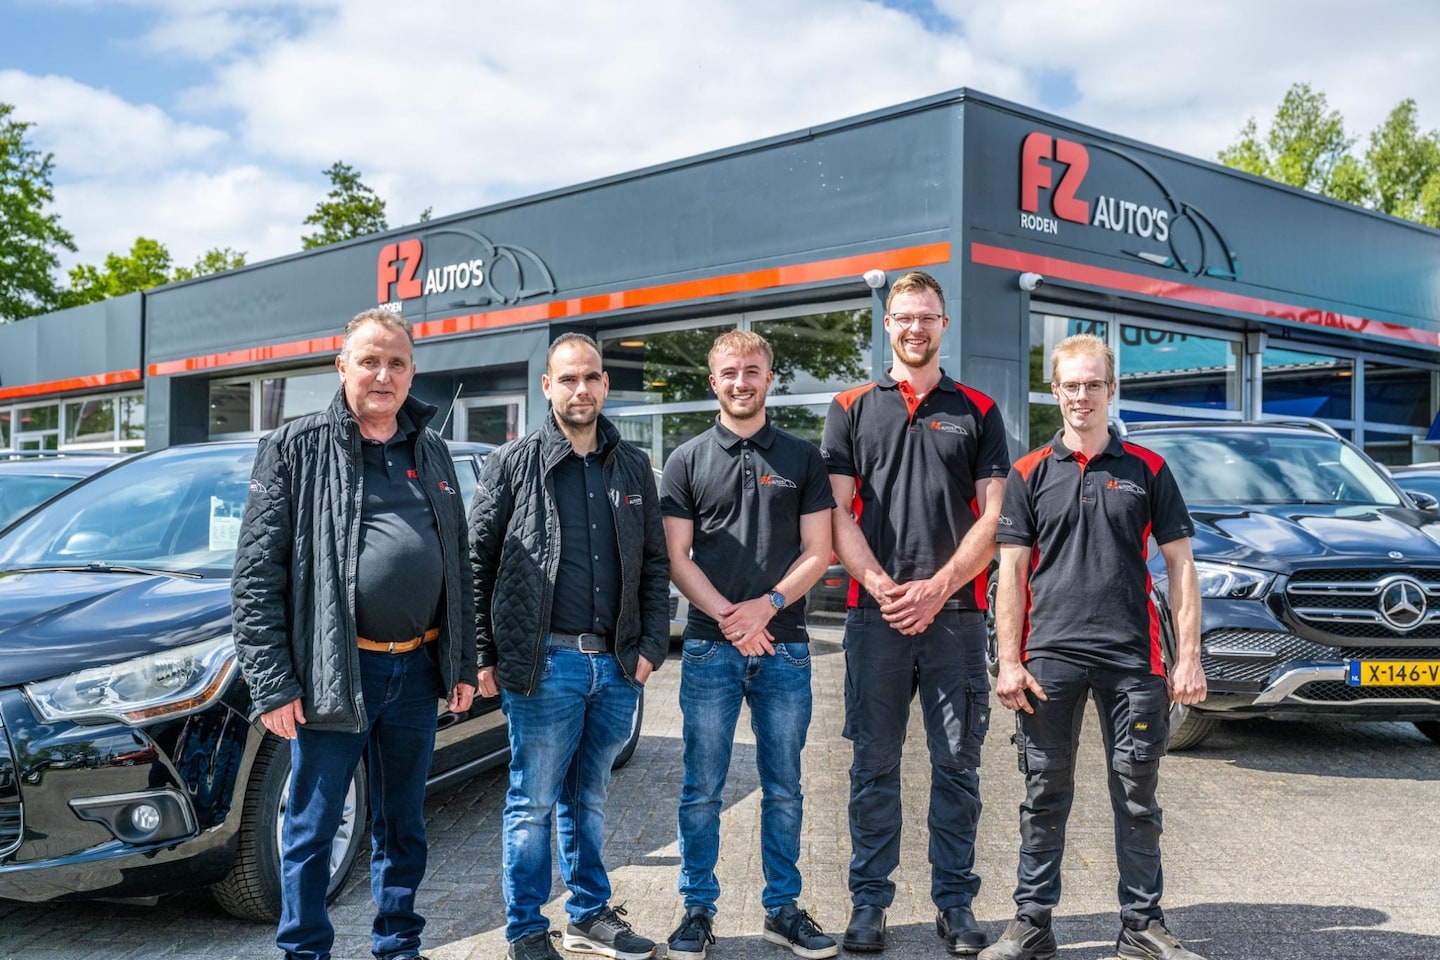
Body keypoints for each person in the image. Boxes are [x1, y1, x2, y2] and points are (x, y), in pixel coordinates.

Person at [232, 308, 478, 960]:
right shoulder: (295, 448)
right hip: (334, 672)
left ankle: (398, 944)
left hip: (417, 671)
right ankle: (304, 949)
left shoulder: (432, 450)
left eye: (396, 363)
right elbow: (255, 577)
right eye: (370, 361)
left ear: (412, 373)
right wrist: (273, 683)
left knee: (404, 825)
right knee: (312, 829)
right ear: (342, 367)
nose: (383, 375)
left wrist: (460, 662)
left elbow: (457, 562)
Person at [983, 333, 1206, 960]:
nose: (1082, 396)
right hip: (1049, 658)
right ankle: (1032, 924)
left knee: (1137, 794)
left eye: (1093, 384)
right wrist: (1009, 660)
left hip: (1132, 658)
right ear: (1055, 391)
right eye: (1071, 385)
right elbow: (1011, 573)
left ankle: (1141, 926)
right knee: (1043, 792)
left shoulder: (1148, 470)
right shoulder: (1028, 472)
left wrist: (1189, 657)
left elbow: (1182, 566)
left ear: (1112, 389)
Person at [820, 270, 1011, 956]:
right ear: (888, 324)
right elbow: (836, 512)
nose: (915, 327)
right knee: (873, 766)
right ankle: (869, 904)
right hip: (874, 619)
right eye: (904, 316)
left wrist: (938, 586)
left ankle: (955, 905)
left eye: (927, 316)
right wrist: (880, 585)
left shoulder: (979, 411)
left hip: (956, 616)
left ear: (943, 324)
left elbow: (995, 517)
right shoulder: (849, 407)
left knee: (957, 765)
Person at [470, 332, 669, 960]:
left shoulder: (632, 466)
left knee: (590, 798)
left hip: (616, 664)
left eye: (591, 378)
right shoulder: (512, 464)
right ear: (547, 386)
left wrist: (650, 647)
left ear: (605, 384)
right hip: (544, 663)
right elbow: (475, 563)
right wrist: (483, 654)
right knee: (532, 802)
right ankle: (526, 931)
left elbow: (655, 563)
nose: (580, 389)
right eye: (568, 379)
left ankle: (587, 916)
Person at [660, 331, 839, 960]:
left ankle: (782, 909)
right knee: (701, 788)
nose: (742, 382)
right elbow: (676, 557)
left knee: (784, 787)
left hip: (784, 648)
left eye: (753, 371)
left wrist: (768, 606)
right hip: (709, 650)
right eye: (731, 372)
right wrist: (730, 618)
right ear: (714, 381)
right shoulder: (686, 460)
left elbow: (820, 551)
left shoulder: (802, 458)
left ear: (770, 378)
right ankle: (696, 910)